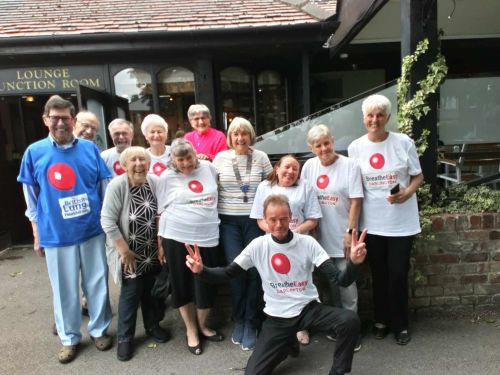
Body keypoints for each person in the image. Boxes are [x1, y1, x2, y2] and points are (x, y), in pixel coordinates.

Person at [185, 194, 367, 375]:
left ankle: (338, 371)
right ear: (264, 220)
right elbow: (228, 273)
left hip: (308, 309)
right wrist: (202, 271)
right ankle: (287, 344)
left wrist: (354, 263)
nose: (278, 225)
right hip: (277, 317)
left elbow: (340, 279)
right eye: (272, 220)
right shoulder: (258, 246)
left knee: (349, 320)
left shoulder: (307, 243)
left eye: (283, 219)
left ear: (291, 218)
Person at [17, 95, 112, 364]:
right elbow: (31, 198)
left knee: (97, 283)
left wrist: (107, 224)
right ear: (46, 120)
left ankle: (99, 329)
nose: (60, 122)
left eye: (65, 117)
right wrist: (36, 234)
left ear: (73, 120)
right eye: (54, 117)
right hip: (56, 234)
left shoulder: (90, 149)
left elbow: (103, 189)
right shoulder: (34, 152)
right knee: (64, 289)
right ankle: (69, 338)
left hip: (91, 230)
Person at [347, 94, 423, 346]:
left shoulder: (403, 142)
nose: (375, 119)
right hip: (373, 224)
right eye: (370, 115)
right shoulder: (355, 147)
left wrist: (406, 193)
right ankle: (381, 320)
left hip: (402, 222)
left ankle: (400, 324)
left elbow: (418, 177)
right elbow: (355, 190)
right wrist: (352, 227)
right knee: (378, 275)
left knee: (398, 274)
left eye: (380, 115)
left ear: (388, 117)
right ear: (363, 119)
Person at [101, 146, 169, 361]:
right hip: (127, 251)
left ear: (149, 164)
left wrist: (161, 245)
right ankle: (125, 337)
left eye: (143, 159)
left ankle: (152, 326)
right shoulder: (117, 185)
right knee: (131, 294)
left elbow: (162, 213)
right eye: (134, 160)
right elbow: (107, 221)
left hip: (151, 249)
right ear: (124, 165)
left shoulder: (155, 182)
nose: (139, 164)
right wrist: (124, 250)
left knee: (150, 290)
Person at [156, 138, 223, 356]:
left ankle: (203, 325)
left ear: (195, 154)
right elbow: (161, 211)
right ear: (173, 160)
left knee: (206, 283)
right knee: (182, 284)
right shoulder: (166, 177)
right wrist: (160, 242)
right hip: (176, 237)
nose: (186, 163)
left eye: (189, 158)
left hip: (208, 236)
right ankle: (191, 330)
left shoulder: (210, 168)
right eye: (180, 159)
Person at [301, 124, 364, 351]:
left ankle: (352, 331)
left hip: (343, 234)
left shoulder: (349, 165)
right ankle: (340, 327)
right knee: (332, 285)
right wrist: (312, 232)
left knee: (348, 287)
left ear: (333, 141)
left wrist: (350, 233)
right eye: (318, 145)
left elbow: (356, 201)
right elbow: (306, 199)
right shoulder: (308, 166)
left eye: (327, 143)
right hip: (319, 237)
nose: (324, 148)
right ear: (311, 147)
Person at [212, 117, 273, 350]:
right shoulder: (220, 158)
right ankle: (239, 319)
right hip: (228, 222)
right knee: (236, 270)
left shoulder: (261, 157)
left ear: (251, 135)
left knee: (255, 270)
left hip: (254, 221)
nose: (240, 138)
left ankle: (251, 319)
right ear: (230, 137)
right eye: (235, 134)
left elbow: (272, 185)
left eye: (244, 133)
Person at [250, 154, 322, 345]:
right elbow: (259, 219)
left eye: (295, 169)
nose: (291, 172)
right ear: (277, 168)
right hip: (273, 245)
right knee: (278, 286)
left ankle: (302, 326)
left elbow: (313, 218)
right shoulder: (264, 187)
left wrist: (294, 234)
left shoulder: (305, 187)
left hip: (299, 244)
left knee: (301, 285)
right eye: (287, 167)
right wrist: (277, 233)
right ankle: (279, 326)